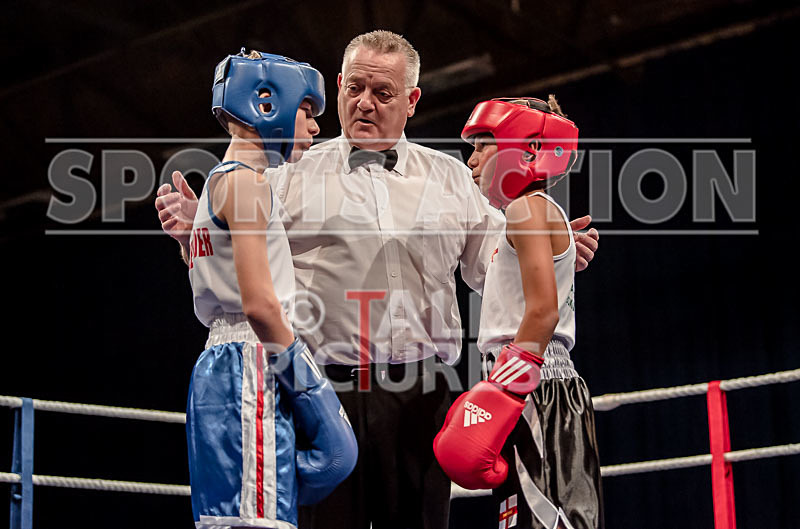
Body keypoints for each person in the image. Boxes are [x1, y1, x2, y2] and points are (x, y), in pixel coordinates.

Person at [157, 31, 599, 529]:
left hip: (423, 395)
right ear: (340, 85)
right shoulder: (285, 173)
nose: (365, 103)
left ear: (412, 101)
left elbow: (493, 270)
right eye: (355, 89)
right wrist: (199, 230)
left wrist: (552, 250)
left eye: (383, 93)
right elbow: (240, 278)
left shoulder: (453, 177)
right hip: (323, 389)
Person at [182, 49, 357, 529]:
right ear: (267, 102)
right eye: (306, 111)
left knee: (233, 519)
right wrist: (308, 382)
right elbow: (259, 305)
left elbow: (217, 281)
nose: (315, 127)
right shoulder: (248, 187)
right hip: (251, 363)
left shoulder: (220, 182)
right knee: (259, 522)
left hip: (221, 363)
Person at [433, 96, 603, 529]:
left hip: (533, 385)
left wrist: (505, 391)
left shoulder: (528, 209)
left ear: (523, 148)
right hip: (530, 381)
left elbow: (543, 311)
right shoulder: (527, 212)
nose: (470, 160)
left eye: (482, 146)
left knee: (546, 521)